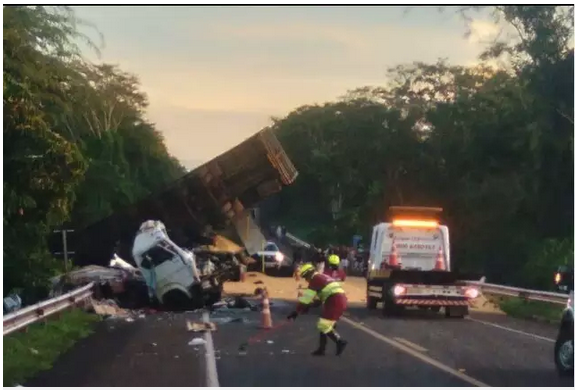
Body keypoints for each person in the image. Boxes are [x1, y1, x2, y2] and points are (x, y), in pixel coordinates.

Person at [287, 263, 348, 356]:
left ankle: (340, 342)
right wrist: (308, 307)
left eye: (305, 277)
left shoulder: (315, 280)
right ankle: (321, 349)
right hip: (338, 299)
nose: (306, 280)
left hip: (335, 301)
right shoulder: (322, 277)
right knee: (323, 324)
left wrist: (296, 312)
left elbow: (306, 299)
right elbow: (318, 302)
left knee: (323, 325)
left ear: (309, 274)